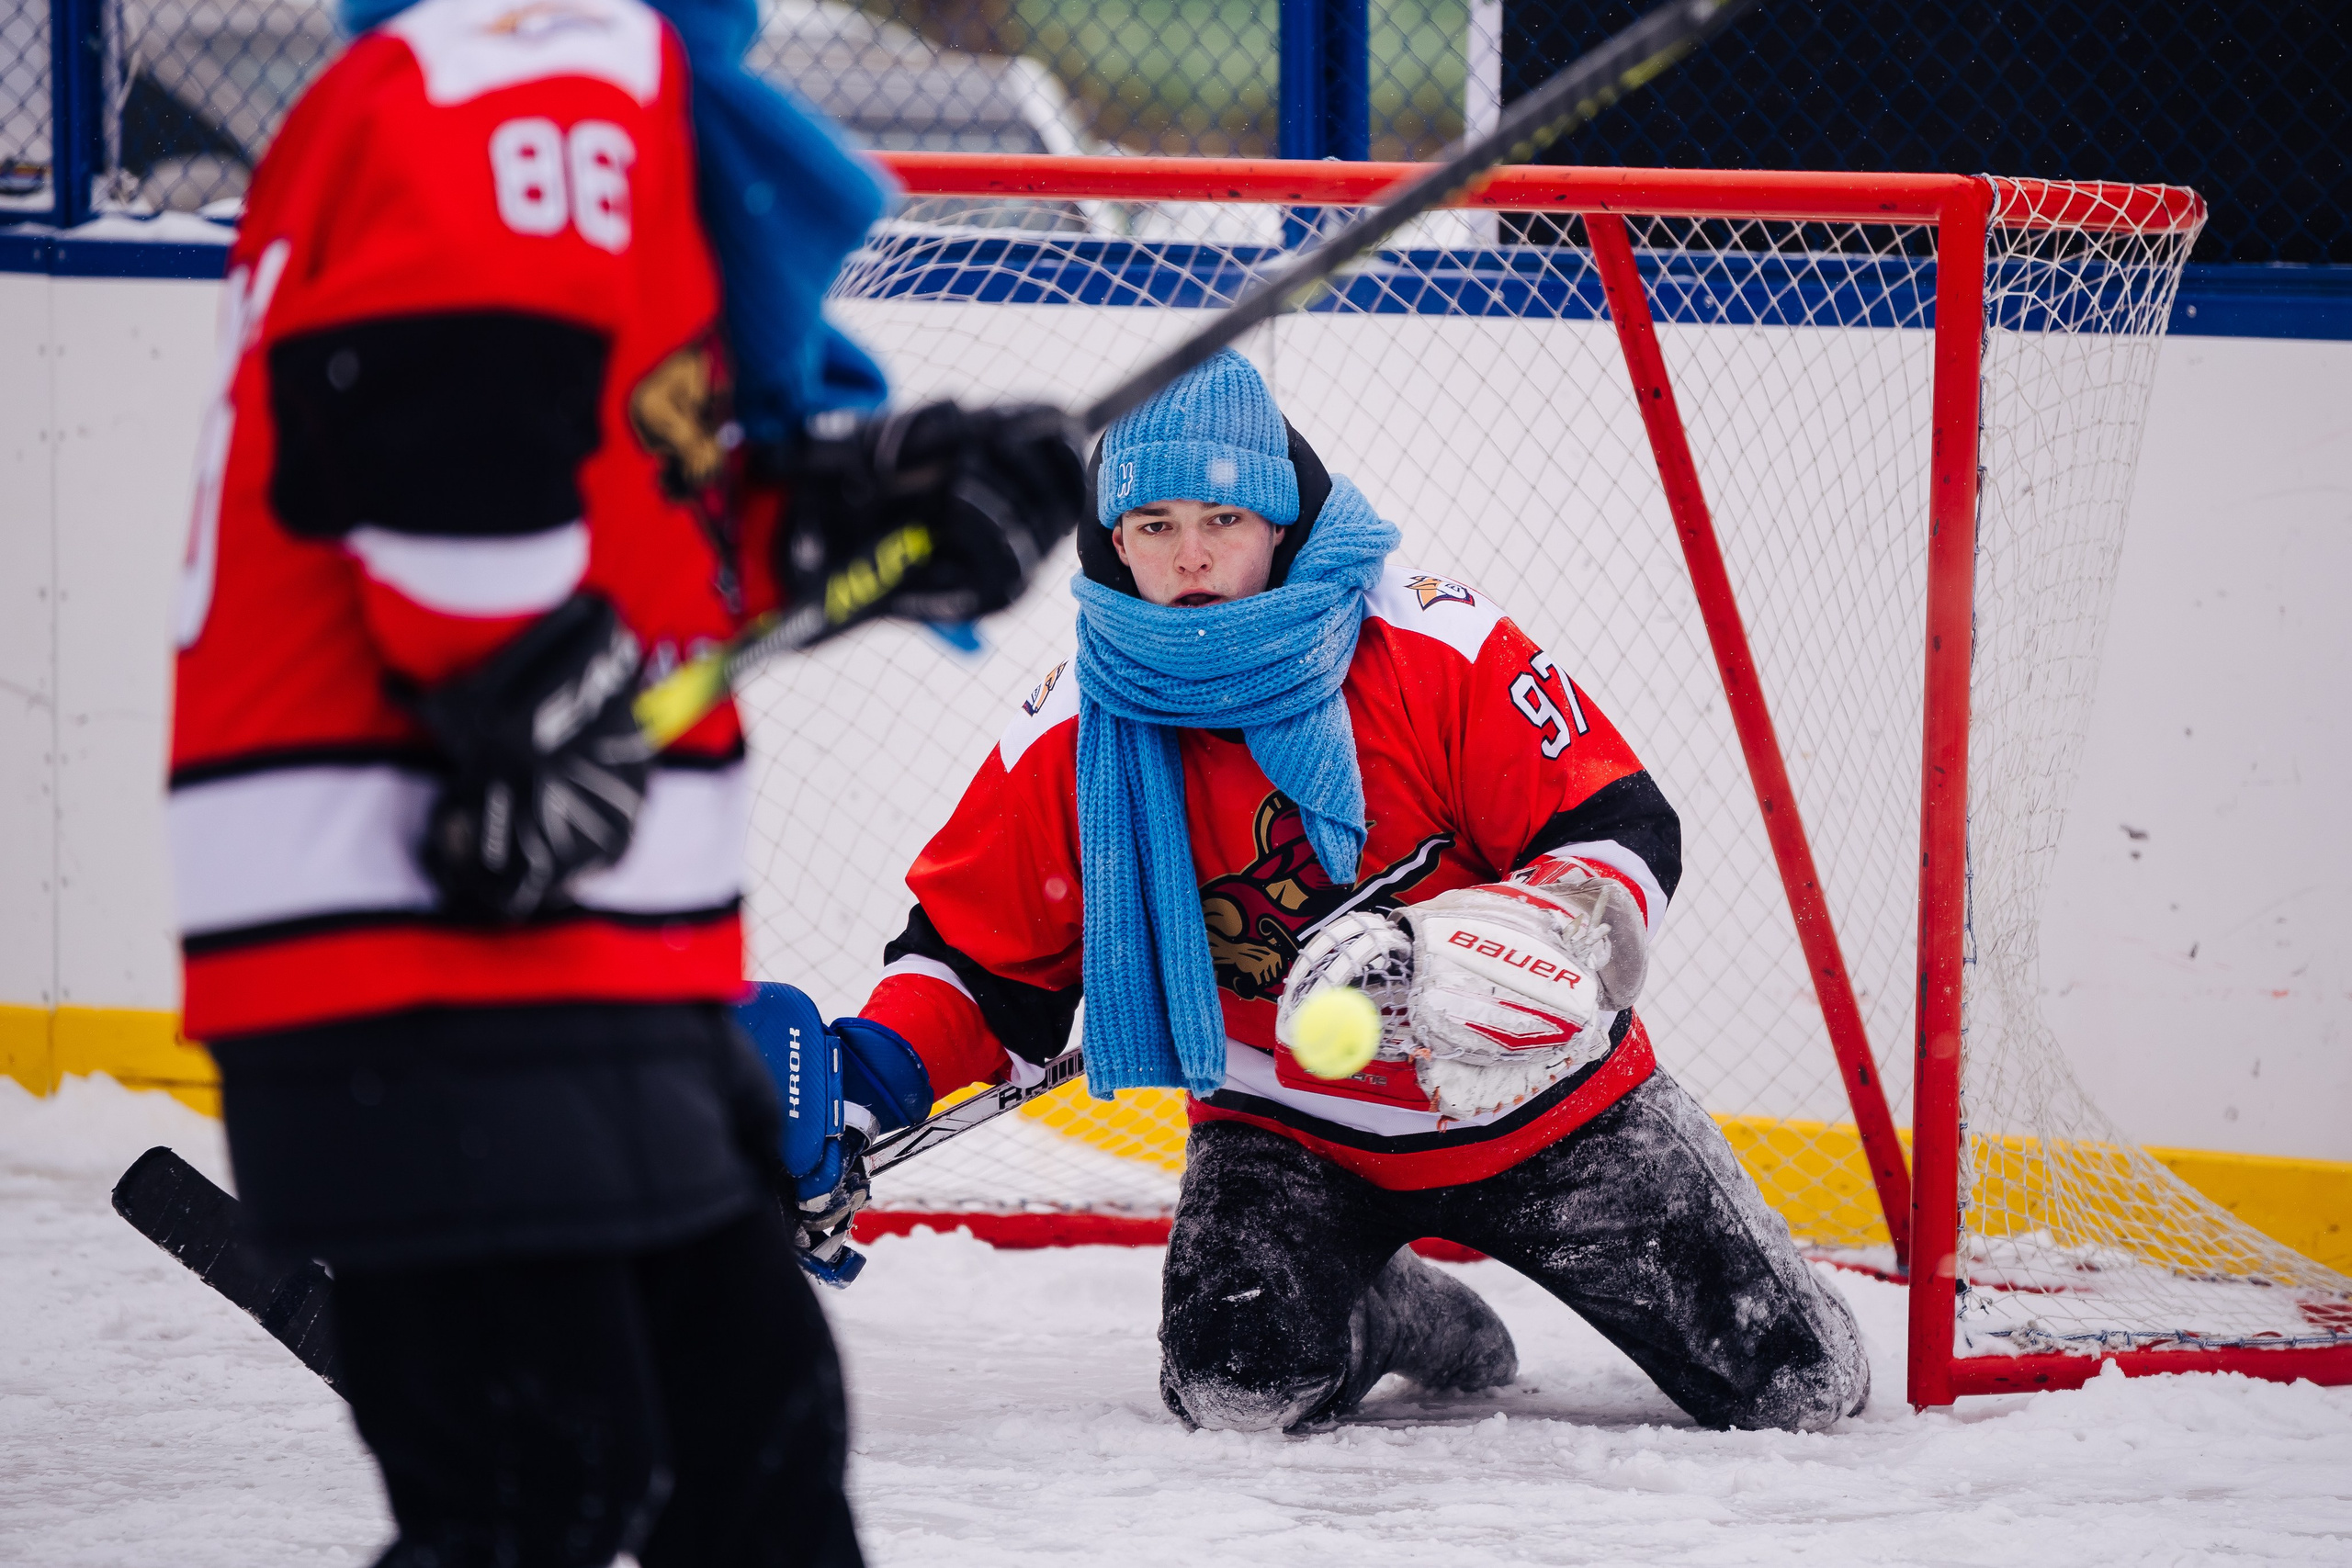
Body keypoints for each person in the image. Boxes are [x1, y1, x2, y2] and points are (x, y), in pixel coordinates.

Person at [166, 0, 1083, 1558]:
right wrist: (523, 697)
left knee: (757, 1474)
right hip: (435, 941)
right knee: (547, 1495)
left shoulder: (567, 80)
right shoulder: (528, 44)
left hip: (580, 963)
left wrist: (866, 515)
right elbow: (435, 406)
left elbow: (614, 521)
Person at [799, 348, 1868, 1435]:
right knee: (1237, 1389)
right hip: (1287, 1129)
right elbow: (978, 962)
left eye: (1222, 518)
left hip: (1543, 1104)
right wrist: (863, 1080)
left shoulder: (1433, 642)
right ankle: (1392, 1314)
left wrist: (1524, 927)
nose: (1191, 555)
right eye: (1156, 525)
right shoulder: (1072, 729)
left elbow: (1617, 828)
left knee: (1797, 1388)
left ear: (1277, 519)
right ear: (1114, 540)